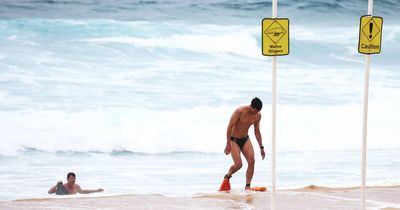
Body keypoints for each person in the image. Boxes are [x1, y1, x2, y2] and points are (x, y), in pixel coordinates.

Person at [222, 97, 265, 190]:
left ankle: (247, 186)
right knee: (238, 164)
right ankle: (228, 175)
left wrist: (261, 147)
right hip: (234, 140)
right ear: (251, 106)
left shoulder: (258, 115)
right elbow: (229, 127)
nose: (257, 112)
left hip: (245, 139)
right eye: (255, 110)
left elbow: (257, 131)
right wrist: (228, 143)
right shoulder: (239, 111)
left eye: (258, 111)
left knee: (252, 161)